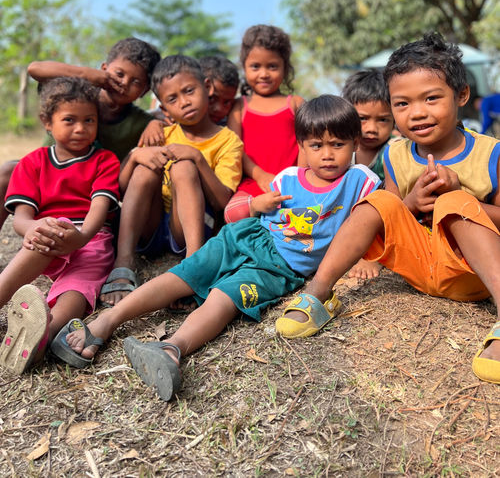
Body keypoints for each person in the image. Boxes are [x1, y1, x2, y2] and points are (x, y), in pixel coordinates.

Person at [52, 95, 380, 400]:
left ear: (354, 144)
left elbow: (379, 214)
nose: (327, 154)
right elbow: (233, 213)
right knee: (184, 272)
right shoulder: (287, 178)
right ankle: (107, 322)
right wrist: (255, 204)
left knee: (226, 297)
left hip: (278, 268)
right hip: (243, 238)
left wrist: (369, 257)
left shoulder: (360, 180)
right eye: (317, 145)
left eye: (338, 144)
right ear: (302, 146)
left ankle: (172, 349)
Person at [275, 33, 500, 385]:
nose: (417, 113)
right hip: (418, 270)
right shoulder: (395, 153)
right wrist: (411, 203)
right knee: (378, 199)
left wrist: (461, 198)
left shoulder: (489, 153)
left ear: (461, 95)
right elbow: (392, 215)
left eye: (431, 98)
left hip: (469, 273)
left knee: (455, 202)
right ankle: (318, 293)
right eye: (402, 103)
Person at [99, 55, 243, 307]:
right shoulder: (160, 134)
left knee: (184, 167)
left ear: (207, 87)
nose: (185, 102)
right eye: (173, 99)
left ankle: (194, 263)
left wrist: (197, 159)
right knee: (144, 167)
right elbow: (121, 191)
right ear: (164, 109)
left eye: (189, 91)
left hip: (187, 228)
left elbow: (222, 202)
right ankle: (123, 261)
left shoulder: (228, 140)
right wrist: (134, 157)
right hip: (150, 227)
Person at [0, 77, 120, 374]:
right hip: (48, 238)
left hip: (90, 241)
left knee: (78, 292)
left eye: (89, 120)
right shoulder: (33, 162)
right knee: (49, 230)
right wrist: (36, 229)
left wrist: (79, 238)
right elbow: (22, 219)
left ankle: (43, 335)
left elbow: (99, 209)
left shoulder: (104, 161)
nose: (80, 128)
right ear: (47, 122)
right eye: (70, 120)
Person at [0, 37, 160, 234]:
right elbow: (35, 69)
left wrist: (156, 121)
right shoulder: (75, 96)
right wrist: (88, 75)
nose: (124, 83)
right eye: (119, 73)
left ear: (145, 91)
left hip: (91, 196)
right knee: (8, 170)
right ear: (104, 68)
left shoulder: (140, 122)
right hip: (48, 181)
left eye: (136, 82)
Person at [224, 25, 304, 222]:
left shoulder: (295, 104)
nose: (264, 74)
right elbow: (235, 148)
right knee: (232, 214)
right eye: (255, 66)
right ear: (244, 67)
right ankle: (259, 210)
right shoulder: (239, 106)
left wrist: (300, 180)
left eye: (272, 66)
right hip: (253, 184)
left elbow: (307, 145)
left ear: (285, 68)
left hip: (291, 185)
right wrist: (260, 175)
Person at [342, 69, 395, 279]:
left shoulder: (393, 150)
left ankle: (374, 256)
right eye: (363, 119)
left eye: (383, 120)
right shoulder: (340, 149)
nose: (371, 128)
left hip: (379, 224)